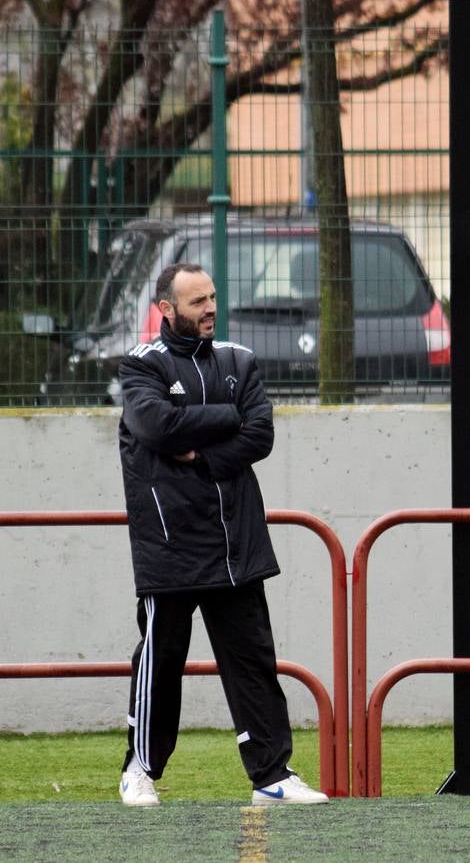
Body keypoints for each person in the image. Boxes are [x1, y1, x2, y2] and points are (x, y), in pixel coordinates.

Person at [115, 262, 327, 807]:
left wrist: (202, 452)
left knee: (253, 661)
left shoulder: (240, 361)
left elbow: (260, 434)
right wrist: (226, 416)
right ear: (166, 310)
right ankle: (139, 769)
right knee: (160, 662)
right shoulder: (141, 368)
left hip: (238, 544)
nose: (210, 308)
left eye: (212, 297)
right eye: (196, 302)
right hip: (171, 545)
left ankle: (272, 776)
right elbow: (156, 426)